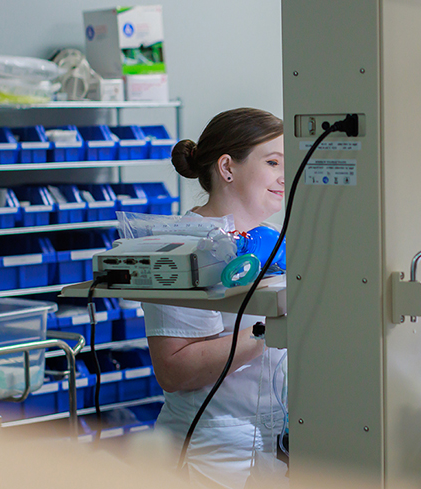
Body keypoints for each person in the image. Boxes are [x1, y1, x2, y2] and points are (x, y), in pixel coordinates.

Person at [143, 108, 288, 488]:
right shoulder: (181, 249)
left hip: (271, 439)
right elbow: (175, 370)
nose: (285, 176)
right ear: (227, 168)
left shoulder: (273, 239)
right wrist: (271, 329)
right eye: (273, 162)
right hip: (209, 443)